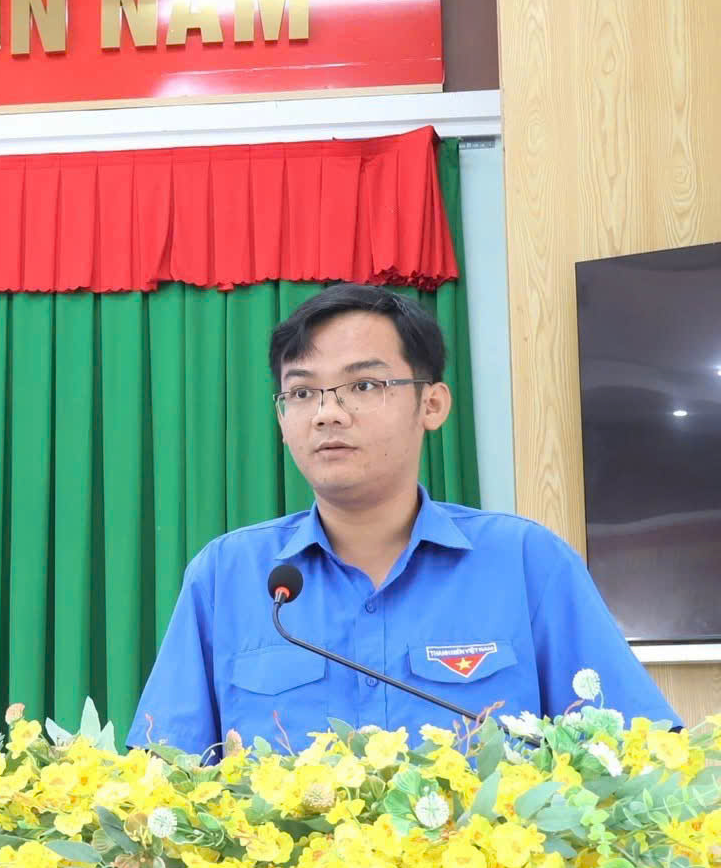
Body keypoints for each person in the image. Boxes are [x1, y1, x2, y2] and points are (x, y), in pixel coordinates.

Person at [128, 283, 678, 758]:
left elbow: (635, 760)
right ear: (282, 417)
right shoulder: (227, 575)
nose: (327, 413)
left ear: (432, 405)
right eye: (302, 392)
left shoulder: (527, 562)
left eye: (363, 386)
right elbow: (164, 782)